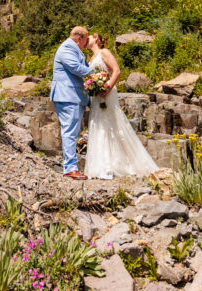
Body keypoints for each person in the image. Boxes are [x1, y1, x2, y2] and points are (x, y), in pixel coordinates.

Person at [84, 33, 159, 179]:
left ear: (97, 39)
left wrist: (108, 87)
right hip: (96, 96)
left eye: (90, 37)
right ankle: (102, 165)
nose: (87, 40)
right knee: (98, 124)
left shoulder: (104, 52)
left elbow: (116, 70)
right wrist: (91, 86)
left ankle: (120, 164)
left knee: (113, 122)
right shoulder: (90, 58)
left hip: (107, 92)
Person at [50, 26, 93, 180]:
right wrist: (96, 72)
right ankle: (70, 168)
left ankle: (71, 167)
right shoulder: (66, 48)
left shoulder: (74, 49)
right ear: (79, 38)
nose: (86, 43)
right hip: (67, 95)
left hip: (74, 96)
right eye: (86, 39)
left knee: (73, 132)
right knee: (69, 131)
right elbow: (76, 68)